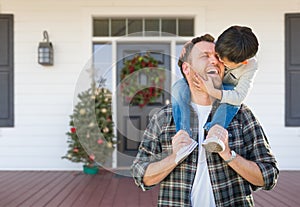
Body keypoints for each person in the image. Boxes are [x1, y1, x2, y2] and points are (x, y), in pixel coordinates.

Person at [131, 34, 278, 206]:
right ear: (187, 69)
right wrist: (174, 157)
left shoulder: (242, 115)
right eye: (204, 56)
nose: (215, 61)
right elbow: (141, 176)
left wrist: (228, 154)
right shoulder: (164, 118)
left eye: (217, 57)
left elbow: (268, 177)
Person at [172, 26, 259, 153]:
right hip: (205, 85)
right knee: (178, 87)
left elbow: (239, 96)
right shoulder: (223, 44)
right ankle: (183, 133)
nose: (215, 60)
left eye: (222, 60)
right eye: (217, 54)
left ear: (243, 62)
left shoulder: (250, 66)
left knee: (232, 100)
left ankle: (215, 132)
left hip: (226, 91)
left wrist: (211, 90)